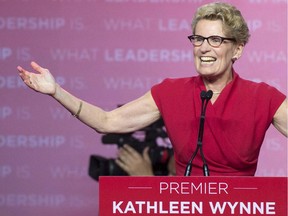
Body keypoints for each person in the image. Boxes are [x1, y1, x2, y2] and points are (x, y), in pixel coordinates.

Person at [17, 2, 287, 176]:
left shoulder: (263, 97)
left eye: (215, 39)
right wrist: (56, 91)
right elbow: (107, 121)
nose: (204, 47)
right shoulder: (171, 92)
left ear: (237, 49)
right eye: (198, 38)